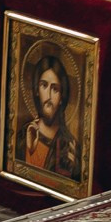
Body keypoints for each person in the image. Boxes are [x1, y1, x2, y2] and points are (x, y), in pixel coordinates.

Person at [15, 43, 80, 176]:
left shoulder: (70, 146)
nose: (49, 96)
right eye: (44, 85)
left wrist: (74, 169)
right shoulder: (23, 135)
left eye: (55, 89)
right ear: (37, 91)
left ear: (62, 96)